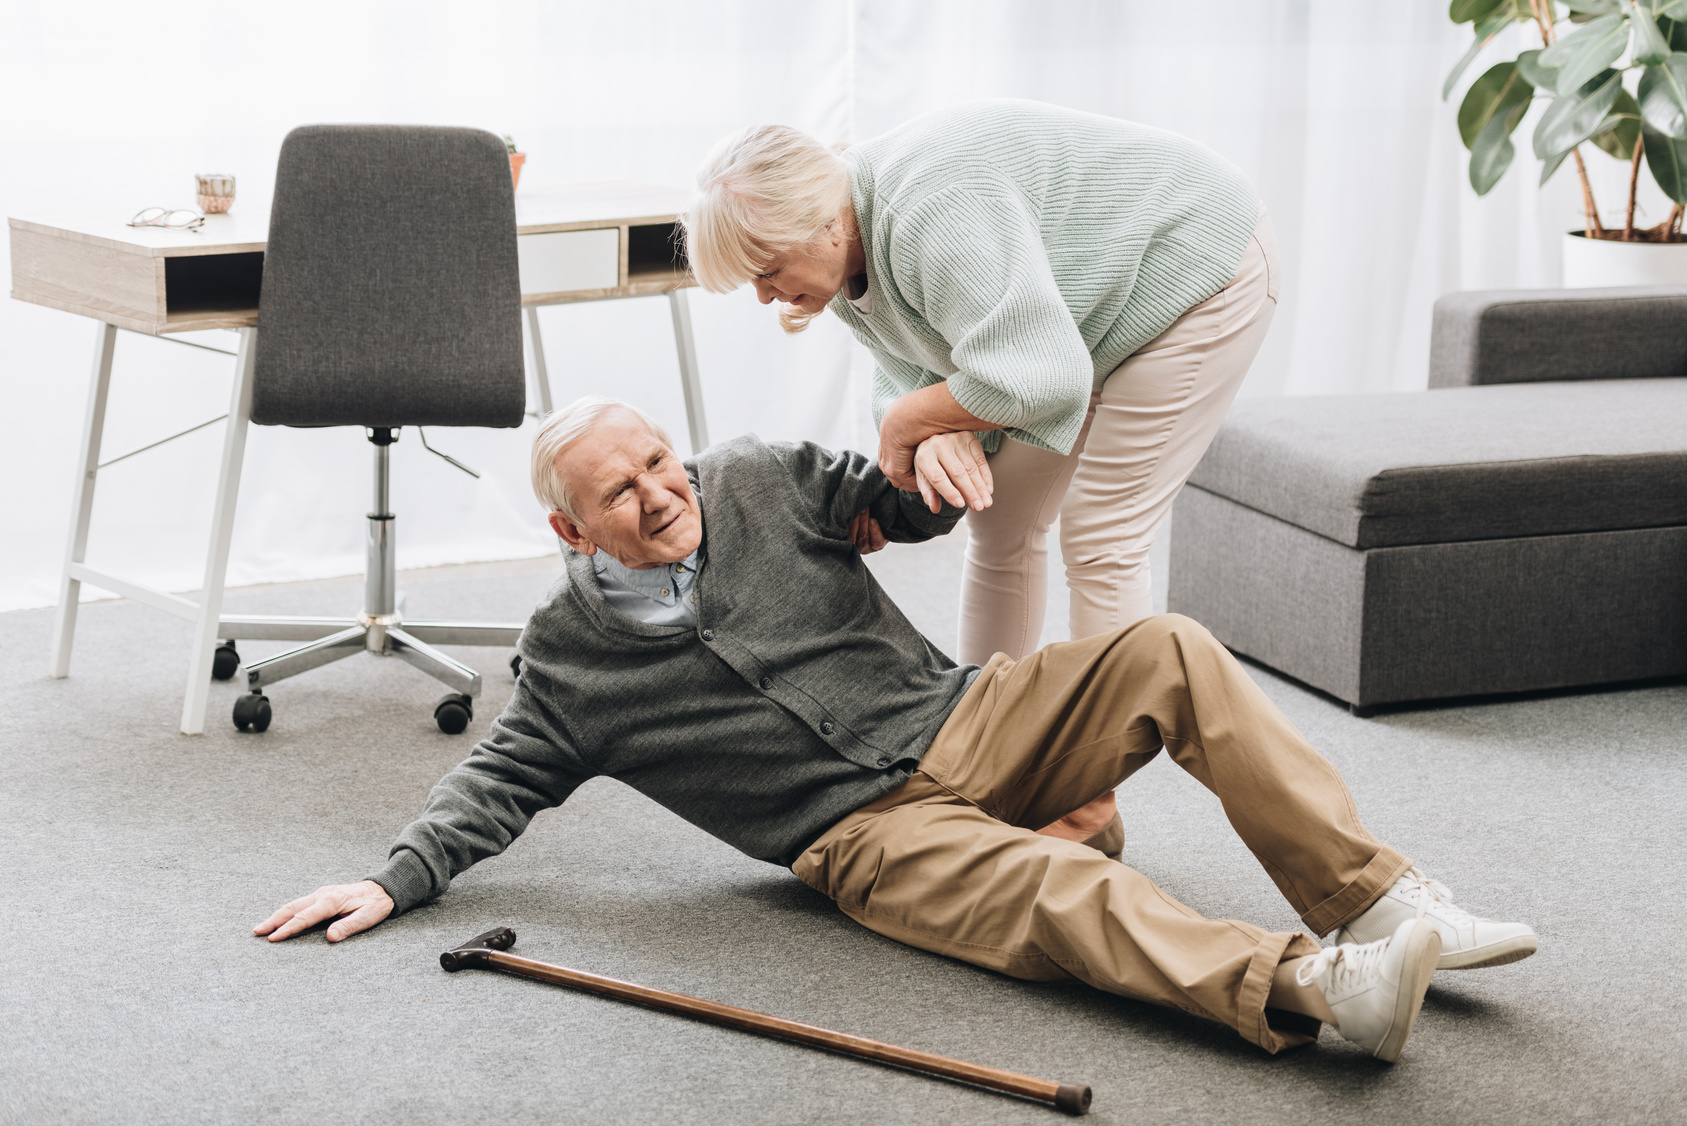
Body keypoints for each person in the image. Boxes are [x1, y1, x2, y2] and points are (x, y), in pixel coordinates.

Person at [257, 397, 1538, 1063]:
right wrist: (389, 878)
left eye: (661, 463)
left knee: (1168, 648)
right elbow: (494, 781)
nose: (663, 494)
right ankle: (1316, 989)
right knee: (1051, 889)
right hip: (860, 835)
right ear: (567, 530)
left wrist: (931, 478)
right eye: (622, 492)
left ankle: (1366, 897)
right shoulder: (567, 662)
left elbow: (889, 504)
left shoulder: (752, 475)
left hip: (971, 716)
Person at [684, 100, 1278, 841]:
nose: (766, 296)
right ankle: (985, 763)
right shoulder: (842, 254)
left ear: (824, 224)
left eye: (767, 272)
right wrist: (932, 428)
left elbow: (1040, 377)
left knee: (1100, 535)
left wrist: (912, 423)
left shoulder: (931, 208)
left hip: (1194, 268)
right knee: (1000, 528)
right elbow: (912, 363)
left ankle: (1087, 801)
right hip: (1070, 322)